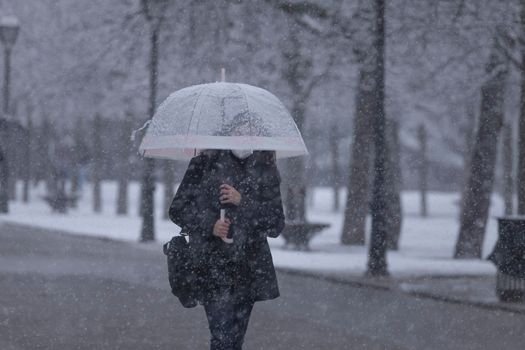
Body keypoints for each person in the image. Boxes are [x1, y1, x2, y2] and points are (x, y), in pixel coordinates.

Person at [169, 148, 285, 350]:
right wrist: (210, 225)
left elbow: (275, 225)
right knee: (222, 338)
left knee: (234, 341)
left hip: (249, 268)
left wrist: (243, 201)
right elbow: (178, 210)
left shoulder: (265, 165)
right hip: (212, 266)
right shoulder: (205, 162)